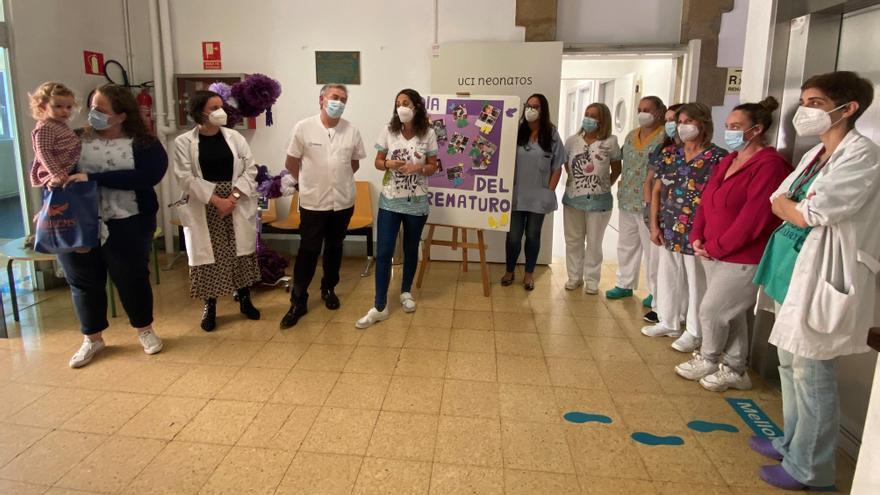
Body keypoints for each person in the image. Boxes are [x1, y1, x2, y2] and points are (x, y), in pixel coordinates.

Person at [750, 71, 879, 491]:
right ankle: (791, 442)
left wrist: (793, 206)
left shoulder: (863, 156)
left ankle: (811, 468)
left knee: (812, 373)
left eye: (815, 103)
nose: (804, 111)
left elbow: (810, 213)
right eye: (804, 101)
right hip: (793, 267)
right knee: (790, 364)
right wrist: (793, 205)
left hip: (824, 274)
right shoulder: (816, 154)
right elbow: (779, 201)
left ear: (848, 109)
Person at [674, 97, 791, 391]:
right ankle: (737, 368)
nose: (730, 132)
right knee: (731, 311)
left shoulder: (770, 166)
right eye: (728, 126)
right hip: (712, 250)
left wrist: (717, 246)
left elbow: (753, 219)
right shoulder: (729, 160)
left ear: (757, 130)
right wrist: (697, 236)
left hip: (742, 256)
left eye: (736, 127)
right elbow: (707, 200)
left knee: (712, 310)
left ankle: (709, 357)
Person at [60, 84, 167, 368]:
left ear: (120, 115)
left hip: (128, 220)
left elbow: (149, 175)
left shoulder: (144, 143)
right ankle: (92, 338)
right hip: (79, 221)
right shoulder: (75, 139)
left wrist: (95, 179)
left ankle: (145, 330)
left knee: (132, 277)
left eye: (101, 110)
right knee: (83, 280)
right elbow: (56, 172)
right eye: (92, 107)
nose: (93, 114)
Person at [172, 90, 261, 332]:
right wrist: (216, 200)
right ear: (199, 111)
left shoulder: (234, 137)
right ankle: (209, 306)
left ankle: (244, 298)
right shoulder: (183, 142)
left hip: (236, 200)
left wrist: (231, 198)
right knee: (209, 257)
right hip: (205, 203)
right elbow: (184, 177)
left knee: (239, 252)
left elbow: (250, 170)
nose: (220, 112)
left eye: (221, 106)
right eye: (214, 108)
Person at [643, 102, 727, 353]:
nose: (682, 127)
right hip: (669, 225)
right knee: (668, 274)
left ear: (703, 124)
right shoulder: (670, 155)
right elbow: (657, 189)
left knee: (696, 281)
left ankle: (694, 331)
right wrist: (654, 224)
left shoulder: (718, 158)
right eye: (680, 123)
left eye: (688, 122)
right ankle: (668, 320)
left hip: (698, 231)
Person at [280, 83, 366, 328]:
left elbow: (354, 164)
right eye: (335, 97)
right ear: (322, 100)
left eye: (343, 99)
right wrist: (307, 184)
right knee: (308, 250)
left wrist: (336, 178)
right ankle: (298, 300)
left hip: (342, 202)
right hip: (313, 202)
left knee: (335, 248)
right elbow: (291, 162)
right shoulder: (303, 128)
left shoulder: (351, 130)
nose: (339, 102)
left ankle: (329, 289)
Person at [356, 89, 438, 328]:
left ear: (416, 107)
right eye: (398, 103)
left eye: (406, 103)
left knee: (411, 249)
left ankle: (405, 292)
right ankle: (379, 306)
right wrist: (388, 163)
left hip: (417, 202)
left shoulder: (428, 133)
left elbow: (434, 166)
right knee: (383, 252)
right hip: (390, 201)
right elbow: (378, 162)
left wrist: (419, 169)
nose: (401, 107)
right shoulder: (389, 131)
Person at [501, 94, 564, 291]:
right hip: (516, 194)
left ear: (543, 110)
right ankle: (509, 271)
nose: (531, 109)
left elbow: (558, 166)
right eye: (528, 106)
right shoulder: (517, 132)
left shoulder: (551, 134)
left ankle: (529, 274)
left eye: (535, 106)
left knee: (533, 235)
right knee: (513, 236)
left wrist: (550, 191)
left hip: (539, 195)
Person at [607, 96, 667, 300]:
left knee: (652, 251)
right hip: (627, 199)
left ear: (659, 112)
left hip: (650, 203)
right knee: (626, 244)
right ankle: (624, 283)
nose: (642, 113)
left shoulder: (666, 137)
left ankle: (655, 292)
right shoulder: (632, 135)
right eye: (639, 109)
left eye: (647, 109)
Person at [562, 102, 621, 294]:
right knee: (573, 240)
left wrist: (603, 185)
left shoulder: (610, 141)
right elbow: (566, 165)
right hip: (573, 199)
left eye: (593, 115)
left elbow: (617, 169)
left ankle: (592, 279)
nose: (588, 118)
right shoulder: (572, 141)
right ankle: (574, 277)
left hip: (599, 201)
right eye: (586, 114)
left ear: (602, 120)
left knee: (594, 242)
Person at [641, 103, 683, 324]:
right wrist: (651, 214)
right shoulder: (664, 150)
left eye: (675, 120)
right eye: (668, 120)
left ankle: (680, 316)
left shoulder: (710, 155)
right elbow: (652, 183)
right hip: (662, 215)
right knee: (660, 264)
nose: (672, 125)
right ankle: (662, 309)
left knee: (684, 274)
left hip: (685, 221)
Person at [28, 82, 81, 188]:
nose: (65, 111)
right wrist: (56, 173)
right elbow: (43, 152)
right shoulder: (45, 127)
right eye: (58, 106)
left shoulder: (60, 124)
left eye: (69, 107)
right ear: (43, 107)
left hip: (69, 168)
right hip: (58, 172)